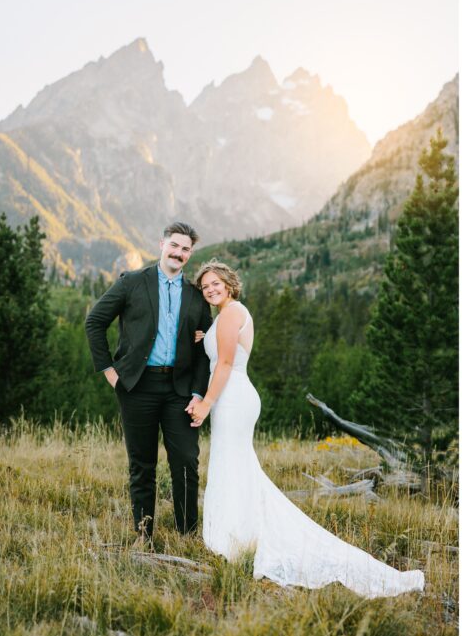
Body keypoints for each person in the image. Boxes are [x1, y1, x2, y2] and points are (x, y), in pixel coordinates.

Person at [188, 259, 424, 598]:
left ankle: (236, 535)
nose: (210, 289)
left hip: (231, 396)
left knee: (233, 462)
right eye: (205, 286)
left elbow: (224, 362)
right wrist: (204, 336)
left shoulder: (229, 314)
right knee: (235, 464)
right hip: (234, 394)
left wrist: (207, 402)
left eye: (216, 283)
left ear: (229, 284)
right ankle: (237, 531)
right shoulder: (229, 315)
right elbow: (223, 351)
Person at [84, 222, 213, 539]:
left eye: (185, 249)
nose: (179, 253)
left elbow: (203, 350)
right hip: (137, 387)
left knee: (185, 462)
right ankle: (144, 534)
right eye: (175, 245)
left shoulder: (196, 297)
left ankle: (186, 534)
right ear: (162, 244)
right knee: (142, 465)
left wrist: (198, 393)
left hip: (180, 391)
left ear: (190, 254)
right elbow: (95, 321)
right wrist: (111, 374)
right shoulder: (133, 282)